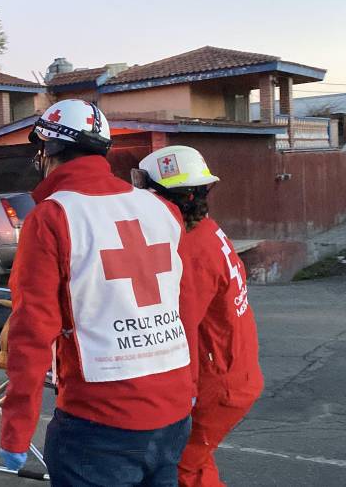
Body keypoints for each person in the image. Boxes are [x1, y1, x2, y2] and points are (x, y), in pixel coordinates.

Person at [0, 99, 194, 486]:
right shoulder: (160, 209)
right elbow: (184, 308)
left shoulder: (53, 217)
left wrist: (16, 428)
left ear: (47, 151)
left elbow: (32, 330)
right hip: (173, 415)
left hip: (100, 426)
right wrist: (189, 390)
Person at [135, 146, 264, 487]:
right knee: (195, 464)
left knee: (178, 467)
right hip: (234, 372)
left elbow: (181, 328)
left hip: (216, 383)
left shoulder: (188, 249)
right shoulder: (206, 231)